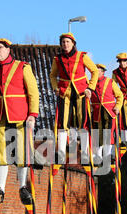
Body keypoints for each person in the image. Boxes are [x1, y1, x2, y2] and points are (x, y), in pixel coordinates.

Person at [0, 38, 39, 205]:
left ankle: (22, 187)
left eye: (0, 47)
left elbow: (33, 92)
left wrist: (32, 114)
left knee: (22, 152)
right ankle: (0, 189)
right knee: (2, 154)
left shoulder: (22, 67)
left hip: (21, 115)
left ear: (8, 50)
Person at [49, 33, 99, 164]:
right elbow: (53, 75)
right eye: (63, 42)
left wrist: (90, 88)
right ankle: (60, 153)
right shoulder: (57, 59)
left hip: (80, 93)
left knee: (83, 123)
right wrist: (55, 88)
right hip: (64, 94)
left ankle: (84, 154)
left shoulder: (82, 56)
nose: (65, 44)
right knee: (62, 123)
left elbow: (94, 71)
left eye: (68, 42)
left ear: (73, 44)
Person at [90, 64, 123, 174]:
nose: (96, 73)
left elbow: (119, 95)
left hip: (109, 112)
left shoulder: (110, 82)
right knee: (97, 135)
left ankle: (108, 157)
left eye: (98, 71)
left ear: (103, 72)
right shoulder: (90, 83)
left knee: (108, 135)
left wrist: (117, 107)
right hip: (96, 112)